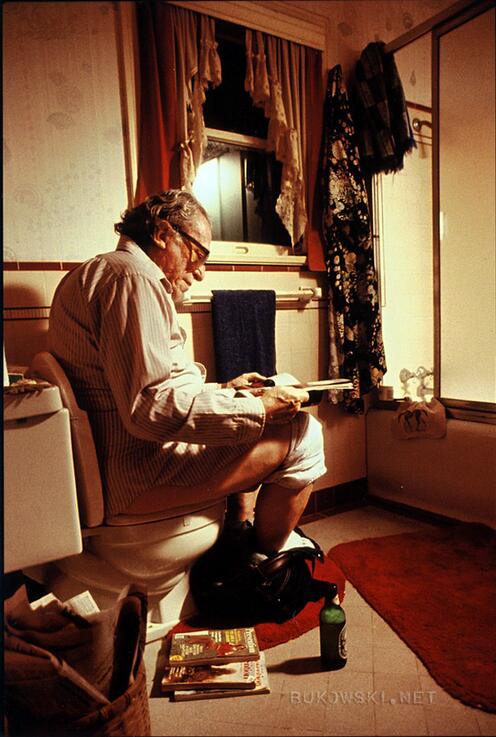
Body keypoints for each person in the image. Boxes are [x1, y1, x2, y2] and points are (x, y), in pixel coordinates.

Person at [48, 190, 327, 558]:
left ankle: (237, 530)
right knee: (305, 433)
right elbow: (150, 409)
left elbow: (146, 389)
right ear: (163, 233)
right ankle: (261, 558)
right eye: (198, 254)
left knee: (253, 423)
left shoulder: (99, 272)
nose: (200, 272)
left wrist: (227, 389)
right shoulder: (133, 278)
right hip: (138, 475)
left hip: (116, 466)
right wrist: (259, 409)